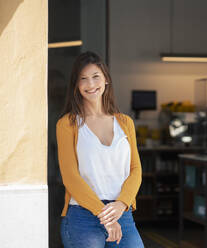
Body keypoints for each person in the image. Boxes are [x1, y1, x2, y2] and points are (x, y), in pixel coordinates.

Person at [56, 51, 144, 247]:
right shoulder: (67, 124)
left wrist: (122, 204)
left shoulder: (125, 123)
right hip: (83, 217)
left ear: (106, 80)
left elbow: (135, 169)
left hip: (122, 213)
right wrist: (104, 215)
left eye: (96, 77)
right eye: (83, 79)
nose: (91, 84)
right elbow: (70, 177)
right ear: (76, 86)